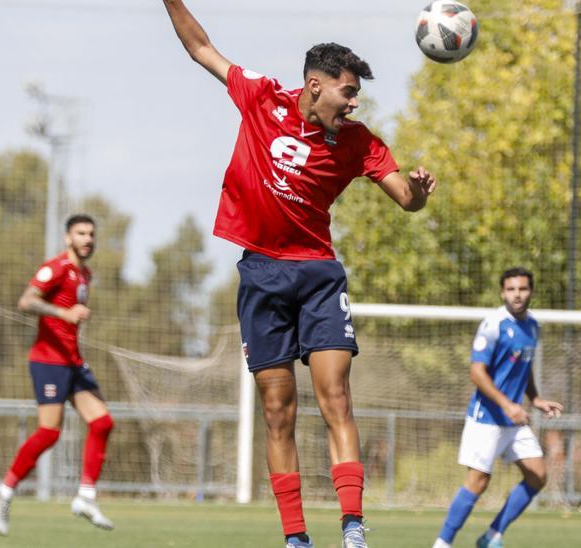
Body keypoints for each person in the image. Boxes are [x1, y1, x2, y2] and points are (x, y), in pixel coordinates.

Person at [161, 2, 439, 546]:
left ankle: (353, 527)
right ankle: (295, 537)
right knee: (277, 409)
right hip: (261, 275)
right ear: (315, 85)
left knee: (335, 395)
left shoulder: (359, 141)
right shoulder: (260, 96)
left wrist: (420, 195)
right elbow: (200, 48)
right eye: (347, 91)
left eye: (357, 93)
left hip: (317, 275)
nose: (354, 101)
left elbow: (405, 198)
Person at [0, 214, 116, 536]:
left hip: (73, 362)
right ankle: (3, 491)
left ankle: (85, 497)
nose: (87, 239)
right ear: (67, 238)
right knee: (49, 433)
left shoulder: (85, 274)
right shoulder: (56, 267)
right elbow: (26, 301)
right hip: (49, 362)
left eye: (91, 234)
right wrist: (63, 312)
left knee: (102, 423)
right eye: (81, 233)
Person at [433, 268, 563, 548]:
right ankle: (442, 544)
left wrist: (535, 399)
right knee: (478, 481)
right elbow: (477, 373)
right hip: (488, 418)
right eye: (511, 289)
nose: (517, 294)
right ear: (503, 292)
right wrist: (507, 405)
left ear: (531, 291)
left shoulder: (532, 326)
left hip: (514, 418)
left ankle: (492, 536)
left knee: (538, 475)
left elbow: (523, 368)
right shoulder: (493, 324)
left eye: (523, 289)